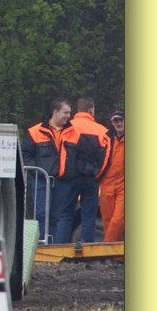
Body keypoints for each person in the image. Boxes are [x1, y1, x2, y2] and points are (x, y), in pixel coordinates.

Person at [52, 97, 111, 244]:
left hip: (69, 179)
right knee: (88, 216)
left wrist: (62, 173)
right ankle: (86, 248)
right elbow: (107, 158)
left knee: (66, 215)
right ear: (91, 110)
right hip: (91, 179)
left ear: (77, 110)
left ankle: (60, 248)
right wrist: (99, 175)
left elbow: (60, 152)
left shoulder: (68, 128)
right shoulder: (103, 131)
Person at [21, 97, 71, 242]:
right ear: (55, 112)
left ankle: (51, 245)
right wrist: (39, 170)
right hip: (41, 180)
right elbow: (25, 154)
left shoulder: (72, 131)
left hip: (61, 181)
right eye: (66, 112)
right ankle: (39, 244)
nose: (68, 116)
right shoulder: (35, 131)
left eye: (69, 113)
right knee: (41, 214)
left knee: (55, 216)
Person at [99, 109, 124, 242]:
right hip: (106, 183)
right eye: (116, 121)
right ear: (112, 123)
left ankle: (106, 248)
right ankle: (117, 251)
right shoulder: (105, 139)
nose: (119, 123)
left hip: (123, 184)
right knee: (107, 220)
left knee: (118, 220)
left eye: (121, 120)